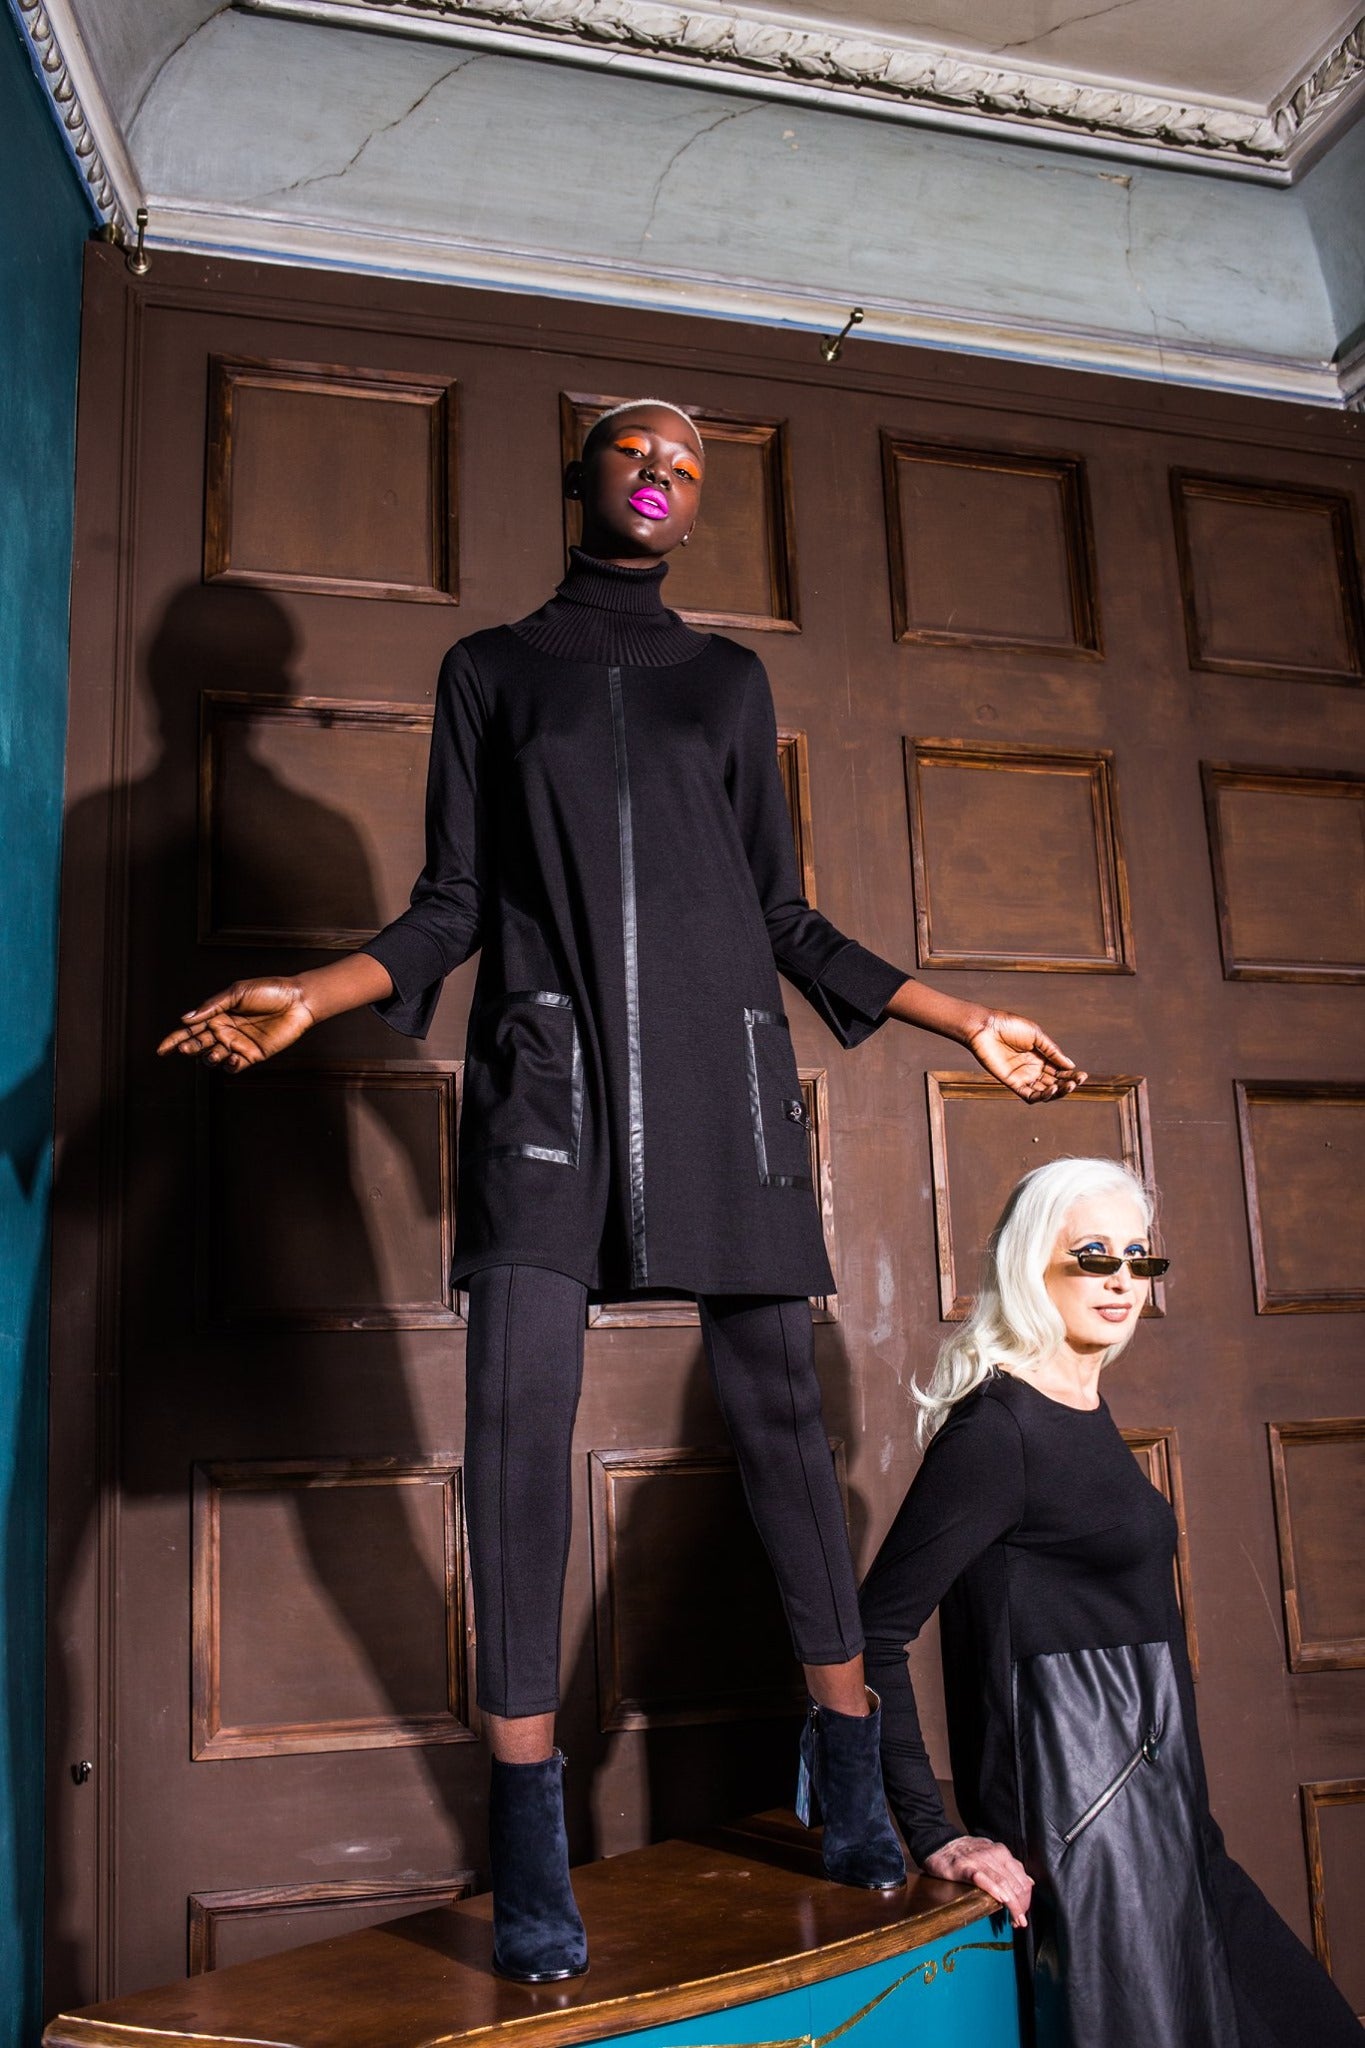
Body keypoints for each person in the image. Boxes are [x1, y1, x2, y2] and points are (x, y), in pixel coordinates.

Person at [159, 399, 1085, 1983]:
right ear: (575, 469)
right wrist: (314, 993)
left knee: (783, 1432)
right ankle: (526, 1826)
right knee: (517, 1440)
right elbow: (450, 904)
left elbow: (783, 914)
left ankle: (846, 1766)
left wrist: (960, 1016)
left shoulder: (728, 681)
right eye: (637, 451)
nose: (665, 474)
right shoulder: (490, 674)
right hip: (546, 1100)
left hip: (722, 1098)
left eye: (692, 464)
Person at [859, 1155, 1363, 2048]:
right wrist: (936, 1831)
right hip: (1085, 1834)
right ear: (1028, 1263)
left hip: (1165, 1808)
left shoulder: (1079, 1406)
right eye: (1093, 1255)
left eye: (1138, 1258)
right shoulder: (998, 1429)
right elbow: (871, 1637)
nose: (1122, 1280)